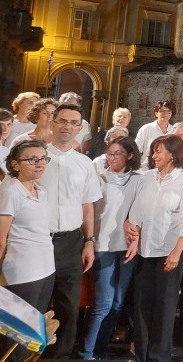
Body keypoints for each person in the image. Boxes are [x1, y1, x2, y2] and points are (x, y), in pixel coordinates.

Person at [124, 134, 183, 362]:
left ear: (173, 155)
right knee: (142, 304)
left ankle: (159, 356)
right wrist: (131, 229)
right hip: (146, 249)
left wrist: (176, 251)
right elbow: (136, 213)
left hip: (172, 250)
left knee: (165, 307)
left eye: (159, 151)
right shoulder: (147, 178)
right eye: (154, 151)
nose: (154, 155)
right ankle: (142, 354)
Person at [41, 102, 102, 357]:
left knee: (69, 308)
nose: (67, 127)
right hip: (37, 241)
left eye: (73, 123)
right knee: (35, 306)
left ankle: (61, 357)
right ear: (52, 123)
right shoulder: (35, 155)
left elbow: (87, 206)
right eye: (62, 121)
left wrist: (89, 241)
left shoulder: (84, 163)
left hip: (70, 243)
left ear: (80, 128)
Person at [80, 137, 143, 360]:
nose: (111, 157)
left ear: (130, 156)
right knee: (103, 304)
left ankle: (100, 349)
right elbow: (89, 212)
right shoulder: (99, 178)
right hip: (103, 246)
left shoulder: (138, 180)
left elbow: (140, 212)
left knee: (117, 304)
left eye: (117, 153)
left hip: (127, 248)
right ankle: (86, 352)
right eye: (109, 153)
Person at [0, 140, 55, 312]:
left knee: (36, 328)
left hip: (46, 269)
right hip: (22, 273)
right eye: (33, 160)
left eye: (44, 159)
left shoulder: (41, 191)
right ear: (15, 164)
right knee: (16, 333)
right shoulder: (10, 192)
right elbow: (1, 239)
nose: (40, 164)